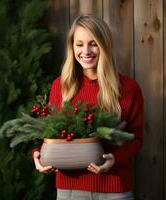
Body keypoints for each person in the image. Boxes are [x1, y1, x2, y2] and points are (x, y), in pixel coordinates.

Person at [32, 14, 144, 200]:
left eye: (93, 43)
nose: (86, 50)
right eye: (79, 44)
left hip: (115, 189)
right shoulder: (60, 87)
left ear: (104, 46)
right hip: (70, 190)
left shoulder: (129, 88)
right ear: (72, 47)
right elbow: (47, 135)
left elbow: (136, 139)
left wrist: (115, 160)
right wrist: (37, 155)